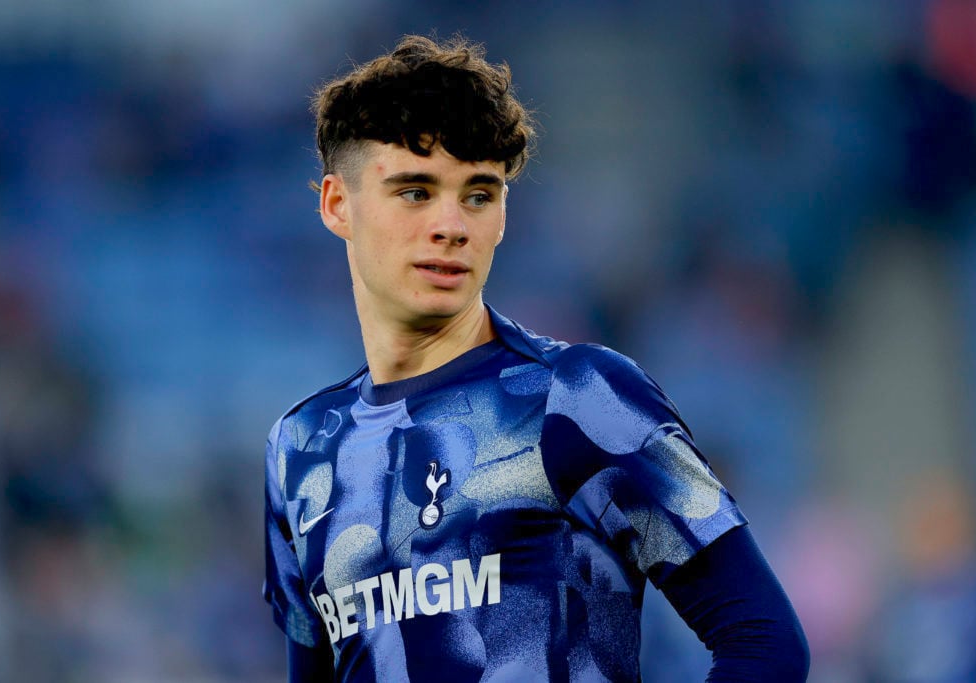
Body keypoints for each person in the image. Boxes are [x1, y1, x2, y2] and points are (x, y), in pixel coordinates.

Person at [263, 34, 809, 682]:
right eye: (415, 192)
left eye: (478, 193)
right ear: (337, 205)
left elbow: (765, 640)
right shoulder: (299, 448)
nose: (451, 224)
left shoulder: (582, 397)